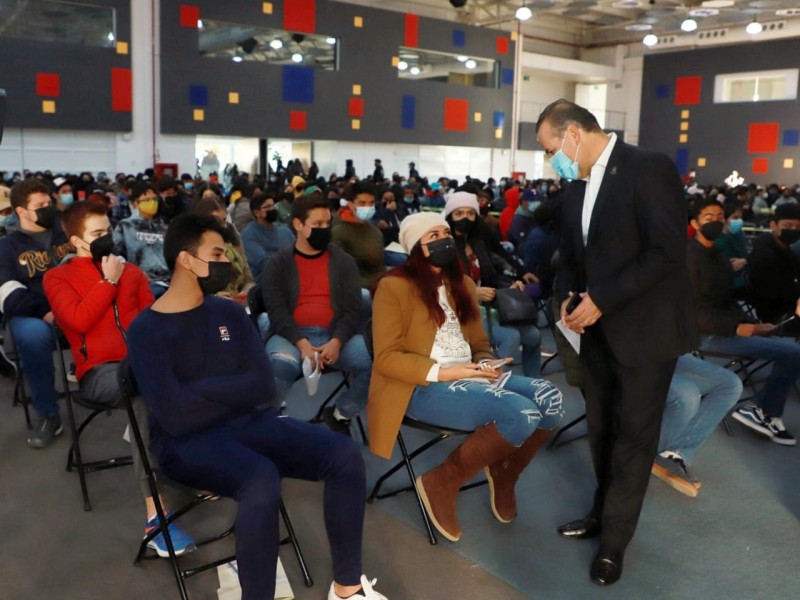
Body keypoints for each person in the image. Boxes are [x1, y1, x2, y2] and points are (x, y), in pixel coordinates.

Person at [126, 213, 387, 600]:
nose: (226, 262)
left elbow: (262, 385)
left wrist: (199, 390)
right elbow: (176, 418)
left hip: (249, 422)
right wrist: (231, 392)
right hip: (184, 445)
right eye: (217, 254)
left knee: (344, 455)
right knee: (259, 478)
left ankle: (347, 588)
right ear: (186, 260)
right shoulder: (146, 330)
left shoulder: (228, 313)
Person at [536, 99, 697, 585]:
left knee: (633, 437)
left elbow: (666, 251)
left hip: (646, 331)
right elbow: (571, 255)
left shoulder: (648, 167)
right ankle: (601, 513)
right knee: (602, 429)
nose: (551, 160)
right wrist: (569, 296)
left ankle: (614, 543)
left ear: (573, 134)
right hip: (596, 331)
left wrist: (602, 298)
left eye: (551, 149)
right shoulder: (576, 185)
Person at [368, 212, 564, 542]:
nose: (444, 240)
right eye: (433, 236)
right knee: (521, 413)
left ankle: (505, 471)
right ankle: (444, 479)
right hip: (422, 385)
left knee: (551, 399)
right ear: (415, 246)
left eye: (445, 233)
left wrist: (485, 363)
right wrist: (447, 371)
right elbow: (386, 357)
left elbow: (479, 344)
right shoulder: (394, 286)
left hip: (469, 376)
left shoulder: (463, 284)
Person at [42, 201, 194, 556]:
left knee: (162, 385)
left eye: (108, 231)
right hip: (99, 373)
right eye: (97, 233)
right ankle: (157, 517)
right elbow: (77, 321)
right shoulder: (58, 278)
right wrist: (108, 281)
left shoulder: (133, 273)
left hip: (141, 369)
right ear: (76, 241)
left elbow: (152, 323)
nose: (106, 238)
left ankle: (185, 474)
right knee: (146, 390)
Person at [687, 197, 800, 445]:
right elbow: (690, 311)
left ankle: (763, 410)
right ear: (695, 223)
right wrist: (737, 327)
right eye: (709, 218)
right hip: (705, 333)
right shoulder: (689, 258)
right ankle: (762, 410)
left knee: (791, 352)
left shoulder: (718, 255)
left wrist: (754, 326)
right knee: (792, 353)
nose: (716, 222)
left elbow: (727, 300)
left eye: (720, 218)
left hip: (726, 327)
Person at [262, 193, 372, 436]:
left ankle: (341, 413)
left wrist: (337, 341)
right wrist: (302, 344)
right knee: (279, 365)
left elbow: (352, 309)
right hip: (291, 336)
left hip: (336, 336)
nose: (324, 229)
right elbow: (277, 313)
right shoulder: (277, 264)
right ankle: (267, 425)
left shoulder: (343, 261)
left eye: (327, 224)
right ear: (298, 224)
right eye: (317, 224)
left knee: (376, 361)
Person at [0, 179, 71, 447]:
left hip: (76, 306)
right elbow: (8, 295)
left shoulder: (67, 233)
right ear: (21, 211)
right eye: (39, 205)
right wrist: (45, 311)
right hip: (35, 314)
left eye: (48, 202)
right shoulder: (7, 247)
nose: (47, 208)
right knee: (32, 336)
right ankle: (48, 414)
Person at [443, 192, 543, 377]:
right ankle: (495, 383)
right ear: (450, 216)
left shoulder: (477, 244)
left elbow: (491, 276)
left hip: (490, 308)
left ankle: (534, 383)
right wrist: (473, 292)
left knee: (533, 335)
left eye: (470, 213)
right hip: (462, 312)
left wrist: (509, 286)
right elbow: (442, 287)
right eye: (459, 213)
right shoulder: (445, 249)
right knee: (511, 336)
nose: (466, 218)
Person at [652, 353, 742, 497]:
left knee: (730, 384)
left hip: (665, 350)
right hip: (628, 354)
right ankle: (644, 452)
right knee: (687, 395)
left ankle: (674, 452)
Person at [746, 202, 800, 328]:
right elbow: (769, 299)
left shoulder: (787, 251)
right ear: (773, 225)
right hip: (780, 318)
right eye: (787, 225)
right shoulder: (766, 257)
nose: (793, 230)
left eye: (798, 227)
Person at [113, 181, 170, 298]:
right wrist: (134, 273)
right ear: (135, 203)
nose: (152, 203)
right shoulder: (125, 226)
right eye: (147, 200)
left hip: (167, 282)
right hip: (141, 283)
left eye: (154, 199)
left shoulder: (164, 225)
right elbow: (117, 255)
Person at [332, 180, 386, 290]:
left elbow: (380, 267)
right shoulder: (339, 232)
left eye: (371, 203)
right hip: (354, 288)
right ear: (351, 205)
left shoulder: (376, 233)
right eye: (362, 203)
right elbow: (338, 271)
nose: (367, 207)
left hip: (378, 285)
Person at [239, 192, 295, 282]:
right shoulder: (248, 234)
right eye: (267, 207)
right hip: (266, 281)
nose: (272, 209)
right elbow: (262, 263)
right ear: (257, 213)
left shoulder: (285, 231)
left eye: (273, 206)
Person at [714, 201, 749, 291]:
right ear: (724, 219)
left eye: (740, 218)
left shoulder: (738, 235)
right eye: (735, 218)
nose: (739, 221)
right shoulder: (720, 241)